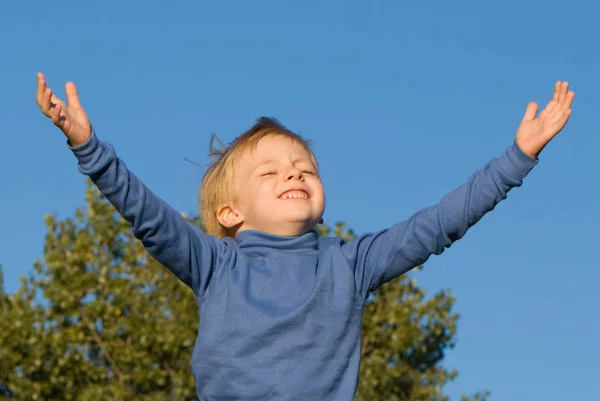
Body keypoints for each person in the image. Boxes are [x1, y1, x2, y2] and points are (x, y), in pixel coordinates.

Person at [36, 72, 574, 401]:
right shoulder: (214, 265)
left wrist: (516, 158)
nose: (292, 175)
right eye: (268, 174)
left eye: (304, 168)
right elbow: (147, 216)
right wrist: (90, 148)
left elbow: (436, 225)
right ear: (229, 213)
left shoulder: (349, 265)